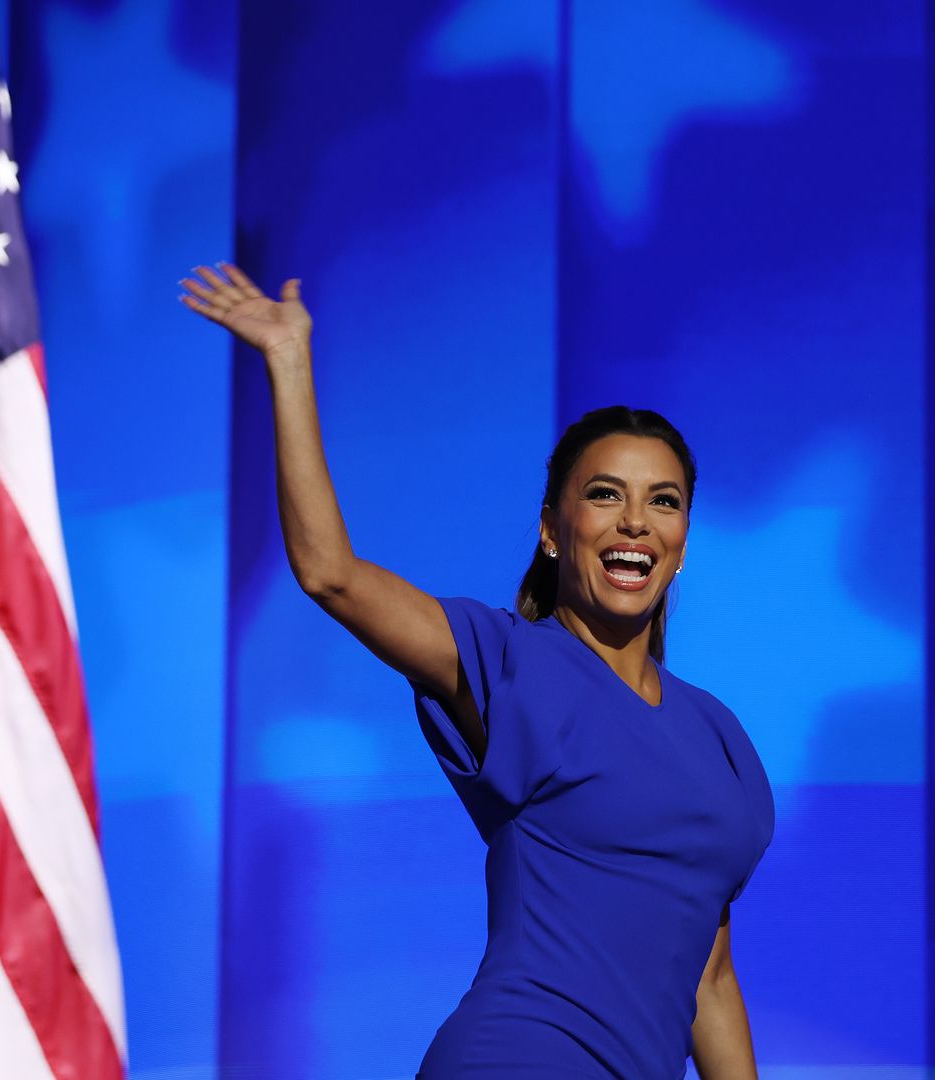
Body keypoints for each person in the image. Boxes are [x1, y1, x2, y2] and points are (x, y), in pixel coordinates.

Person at [179, 263, 775, 1079]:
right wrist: (289, 363)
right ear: (554, 532)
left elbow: (709, 978)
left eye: (663, 501)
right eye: (605, 495)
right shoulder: (509, 663)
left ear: (681, 543)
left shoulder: (722, 741)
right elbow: (332, 574)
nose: (635, 520)